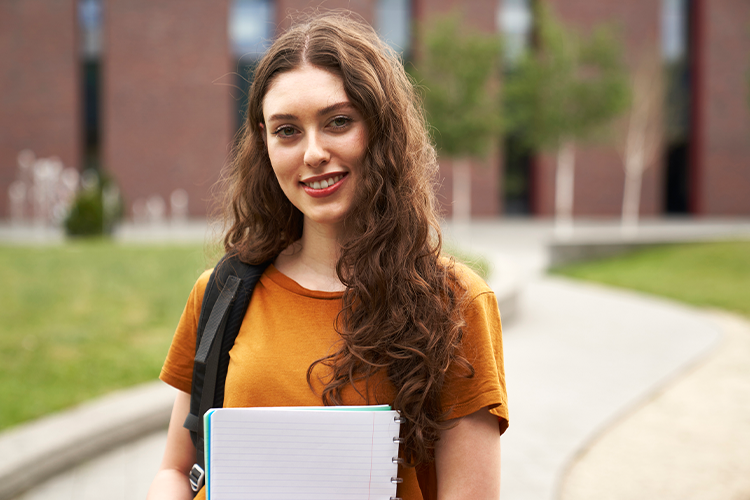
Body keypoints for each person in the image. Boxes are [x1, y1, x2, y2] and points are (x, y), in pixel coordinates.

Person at [147, 11, 507, 500]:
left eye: (338, 122)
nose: (312, 152)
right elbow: (177, 470)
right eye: (287, 130)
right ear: (264, 141)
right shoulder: (220, 293)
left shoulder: (456, 301)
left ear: (382, 130)